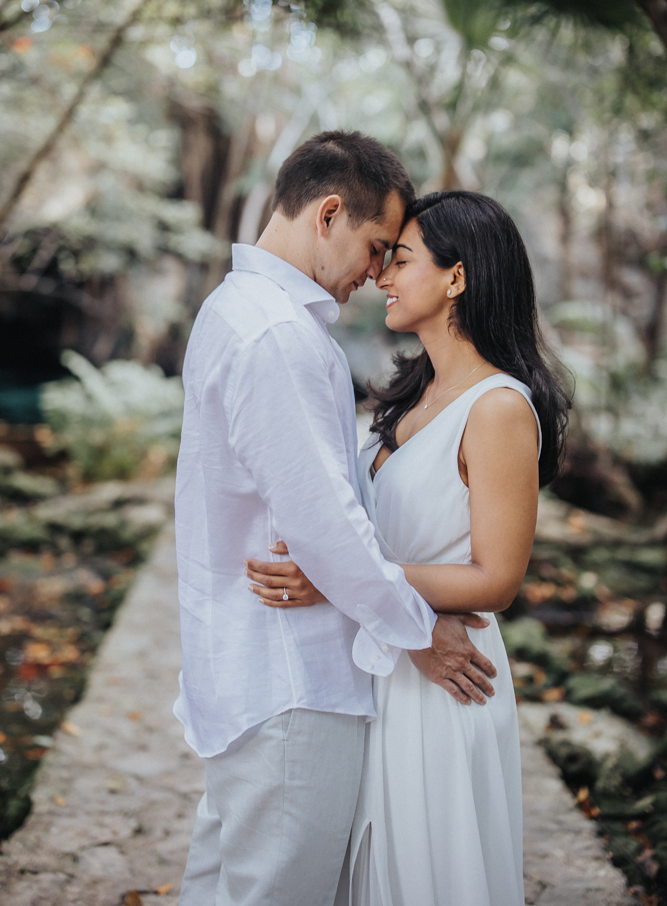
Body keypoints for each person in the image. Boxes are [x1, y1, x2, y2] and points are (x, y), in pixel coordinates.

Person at [174, 135, 498, 906]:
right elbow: (324, 525)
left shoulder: (236, 311)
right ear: (327, 214)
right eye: (376, 245)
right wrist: (418, 630)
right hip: (292, 679)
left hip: (246, 668)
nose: (377, 272)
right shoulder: (279, 336)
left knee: (224, 889)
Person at [246, 191, 570, 906]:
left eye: (401, 260)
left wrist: (338, 578)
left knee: (427, 876)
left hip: (445, 687)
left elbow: (495, 579)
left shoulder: (497, 409)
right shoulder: (407, 397)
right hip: (384, 663)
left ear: (456, 278)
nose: (382, 276)